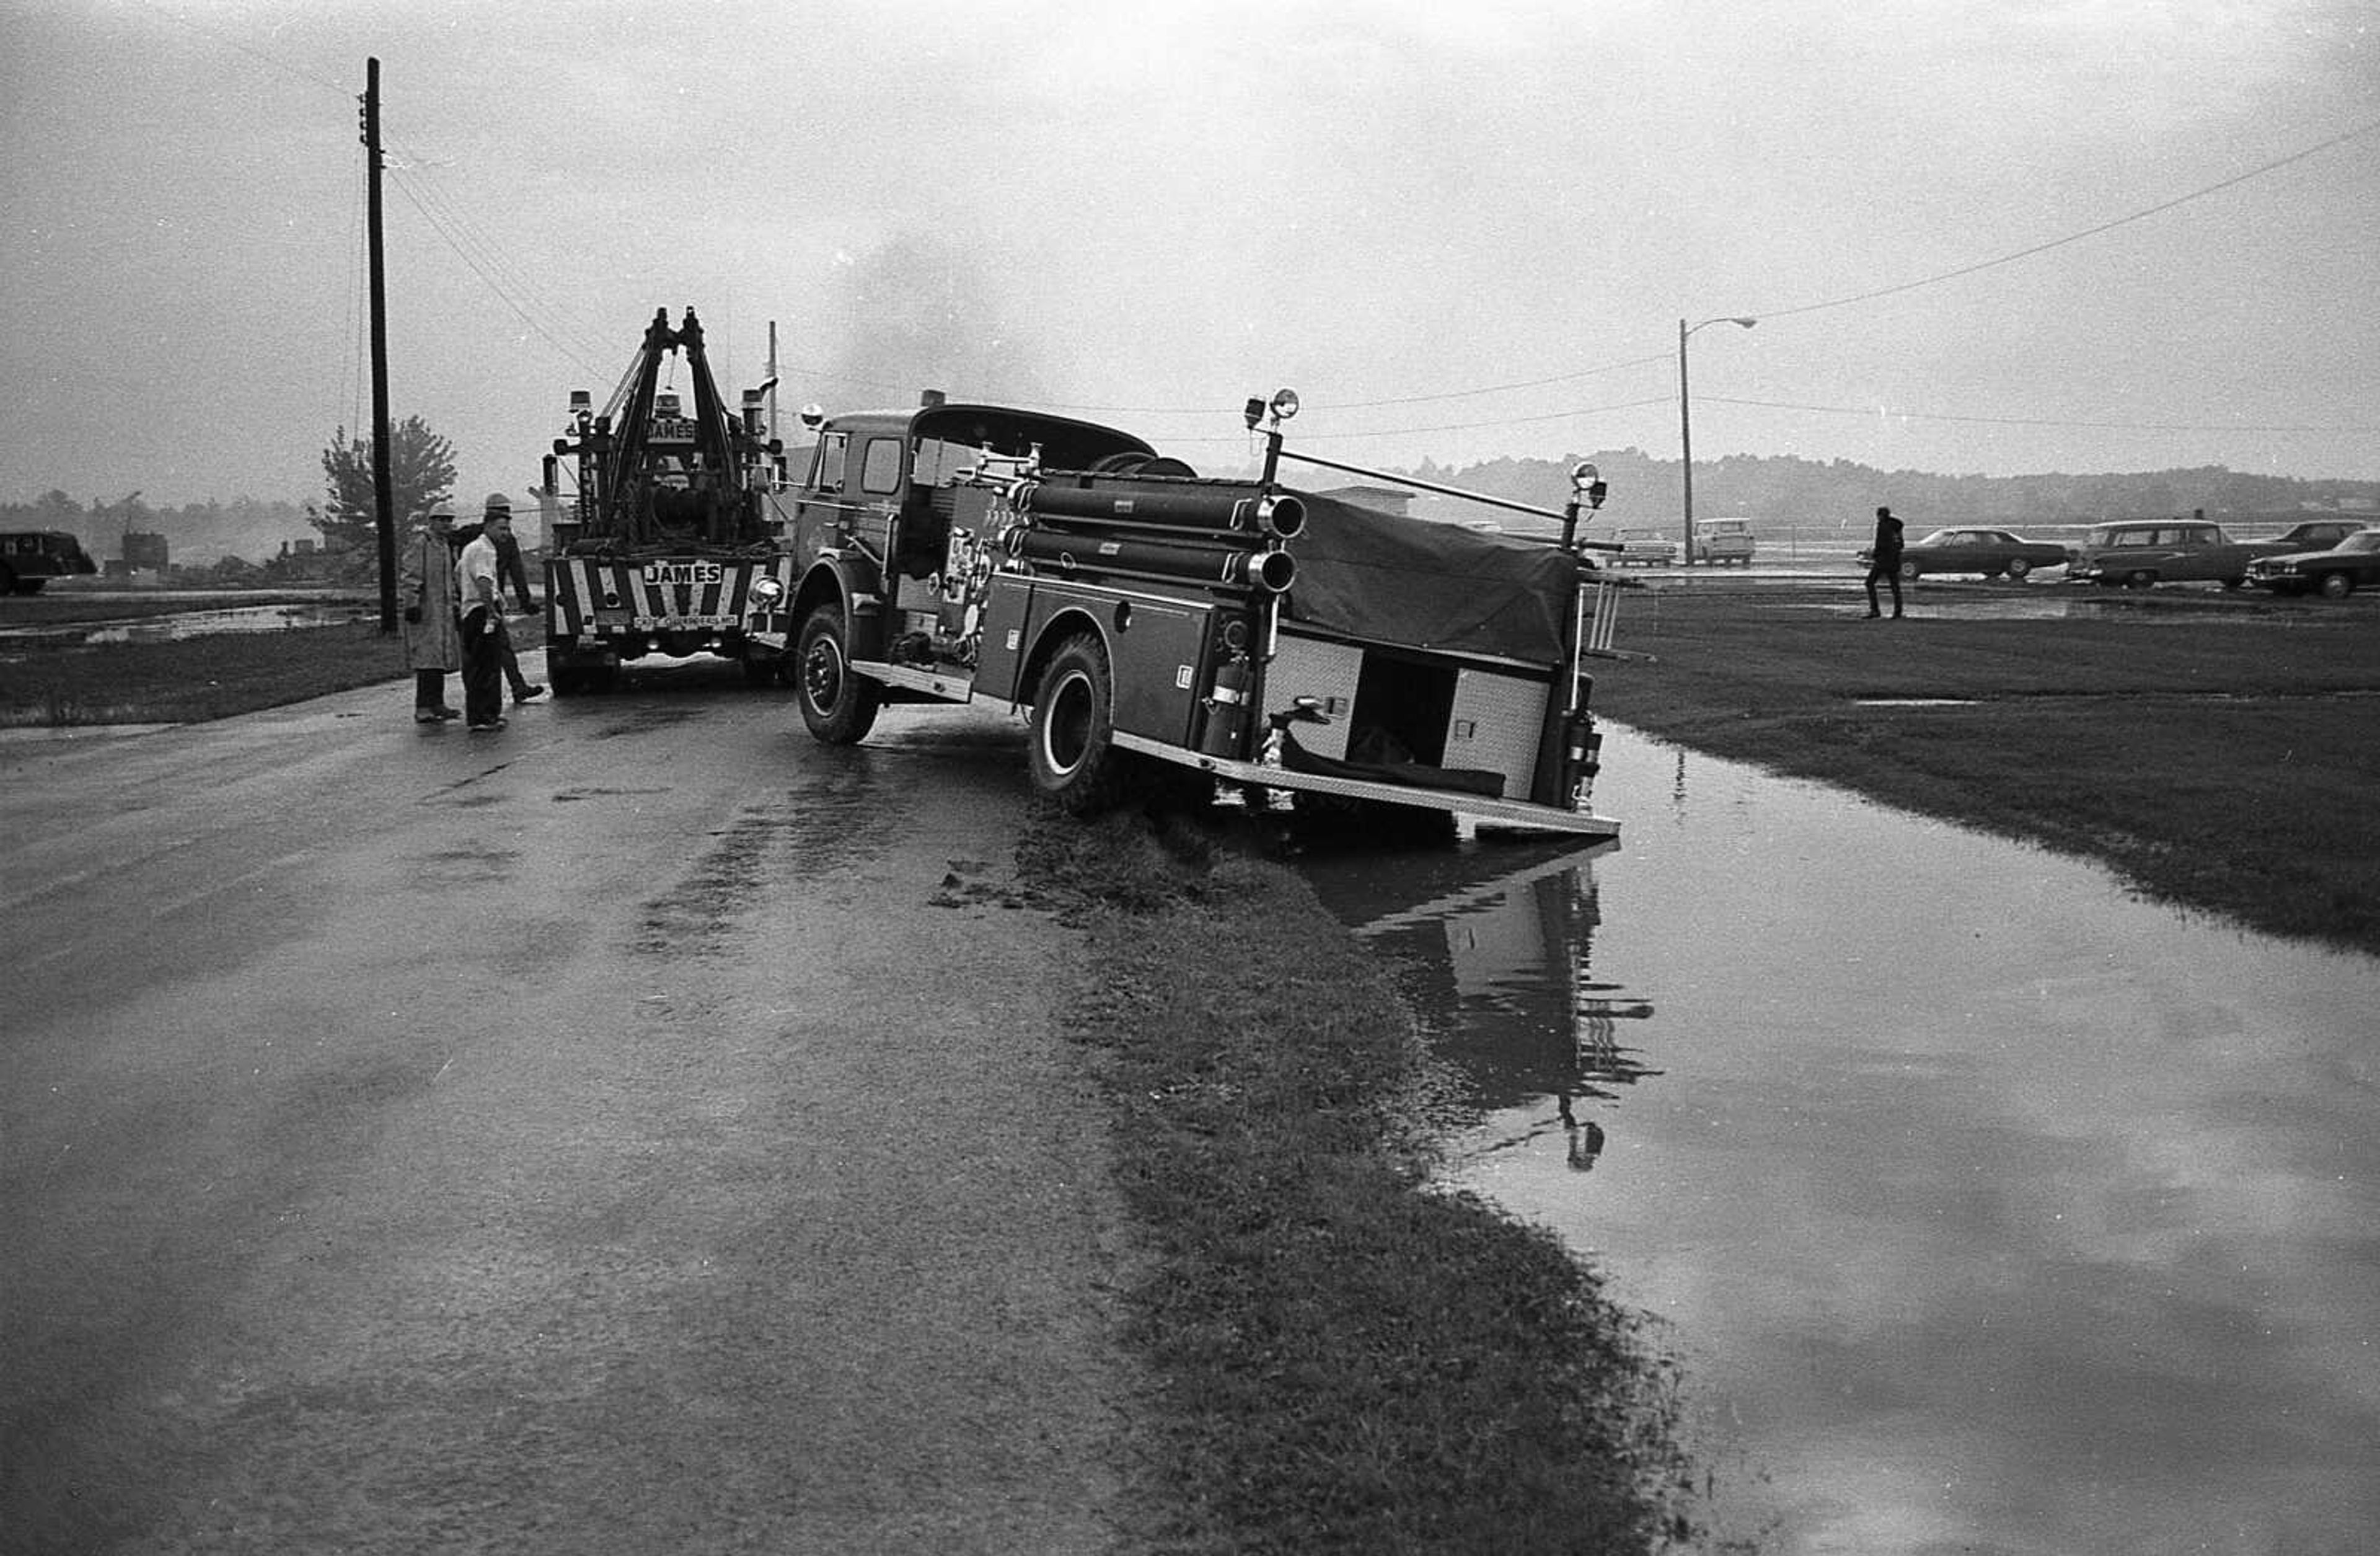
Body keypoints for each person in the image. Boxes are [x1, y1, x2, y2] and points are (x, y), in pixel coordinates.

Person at [450, 492, 544, 704]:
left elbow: (456, 562)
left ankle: (498, 693)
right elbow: (517, 573)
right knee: (491, 652)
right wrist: (525, 602)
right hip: (483, 603)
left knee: (483, 653)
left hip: (476, 602)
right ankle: (501, 693)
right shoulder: (493, 540)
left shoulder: (472, 535)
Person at [399, 505, 462, 723]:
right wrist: (412, 604)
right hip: (425, 611)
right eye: (441, 520)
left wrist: (454, 603)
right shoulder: (421, 543)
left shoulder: (444, 546)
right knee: (427, 660)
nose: (446, 523)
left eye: (449, 519)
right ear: (432, 521)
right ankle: (423, 706)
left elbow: (450, 580)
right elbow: (411, 576)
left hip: (442, 612)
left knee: (439, 659)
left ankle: (438, 703)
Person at [456, 503, 514, 731]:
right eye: (501, 529)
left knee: (481, 665)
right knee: (486, 666)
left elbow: (458, 573)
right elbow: (484, 581)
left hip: (470, 611)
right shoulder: (485, 550)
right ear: (488, 526)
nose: (505, 534)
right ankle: (482, 717)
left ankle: (487, 713)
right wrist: (491, 610)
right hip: (482, 612)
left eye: (508, 529)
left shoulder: (471, 548)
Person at [1865, 504, 1905, 619]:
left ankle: (1875, 610)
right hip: (1894, 560)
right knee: (1895, 587)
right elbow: (1901, 544)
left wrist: (1875, 555)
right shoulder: (1897, 527)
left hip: (1883, 560)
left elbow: (1881, 544)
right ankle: (1898, 612)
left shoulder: (1882, 526)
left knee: (1869, 583)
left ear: (1880, 516)